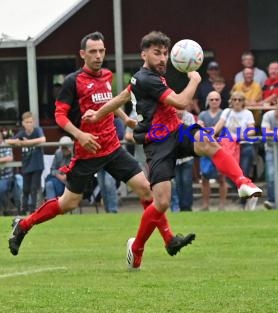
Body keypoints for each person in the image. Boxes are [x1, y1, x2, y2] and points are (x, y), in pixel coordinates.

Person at [83, 31, 262, 269]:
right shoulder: (147, 78)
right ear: (143, 54)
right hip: (157, 143)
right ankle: (136, 248)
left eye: (165, 53)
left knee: (209, 141)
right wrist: (195, 81)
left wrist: (98, 113)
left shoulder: (145, 77)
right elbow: (179, 102)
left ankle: (242, 182)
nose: (163, 58)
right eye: (157, 53)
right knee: (162, 203)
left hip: (176, 131)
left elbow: (122, 96)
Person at [8, 31, 193, 261]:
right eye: (93, 51)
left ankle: (169, 239)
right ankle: (24, 224)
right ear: (82, 54)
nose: (98, 56)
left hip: (113, 148)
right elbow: (59, 116)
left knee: (146, 189)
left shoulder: (106, 75)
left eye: (101, 51)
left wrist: (125, 119)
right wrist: (80, 135)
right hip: (88, 151)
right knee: (69, 203)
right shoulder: (72, 81)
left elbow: (109, 100)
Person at [213, 90, 258, 209]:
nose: (237, 102)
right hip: (229, 146)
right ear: (231, 101)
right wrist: (212, 133)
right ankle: (251, 193)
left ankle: (244, 201)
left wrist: (239, 136)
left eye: (240, 100)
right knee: (229, 174)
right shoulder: (227, 112)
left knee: (243, 172)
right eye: (234, 99)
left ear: (243, 102)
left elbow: (252, 130)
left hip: (244, 145)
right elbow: (219, 124)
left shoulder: (247, 113)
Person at [6, 112, 45, 214]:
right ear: (23, 123)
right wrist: (17, 142)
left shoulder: (38, 130)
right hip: (26, 166)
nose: (29, 124)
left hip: (37, 165)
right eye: (27, 122)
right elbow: (8, 141)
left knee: (34, 188)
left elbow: (43, 139)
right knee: (25, 189)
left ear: (34, 122)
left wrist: (26, 142)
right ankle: (23, 210)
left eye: (31, 122)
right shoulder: (22, 133)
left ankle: (33, 210)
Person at [197, 91, 228, 211]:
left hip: (220, 148)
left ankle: (222, 205)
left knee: (221, 177)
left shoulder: (224, 114)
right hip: (205, 149)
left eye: (217, 99)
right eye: (212, 99)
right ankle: (205, 205)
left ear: (220, 101)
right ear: (207, 101)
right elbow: (199, 131)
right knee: (204, 177)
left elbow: (226, 131)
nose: (214, 101)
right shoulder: (202, 115)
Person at [97, 115, 125, 213]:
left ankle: (113, 210)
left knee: (109, 183)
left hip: (113, 158)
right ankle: (107, 210)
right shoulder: (98, 121)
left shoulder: (117, 121)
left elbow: (121, 135)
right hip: (100, 158)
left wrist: (104, 137)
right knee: (102, 185)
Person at [44, 136, 73, 200]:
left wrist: (68, 176)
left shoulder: (75, 154)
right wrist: (59, 176)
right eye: (63, 148)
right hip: (59, 178)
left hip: (72, 179)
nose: (65, 150)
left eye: (66, 148)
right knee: (49, 184)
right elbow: (52, 169)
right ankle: (52, 206)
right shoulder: (58, 153)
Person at [0, 131, 16, 214]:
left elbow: (10, 158)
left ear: (1, 137)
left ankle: (6, 209)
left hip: (6, 177)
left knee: (1, 188)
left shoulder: (6, 145)